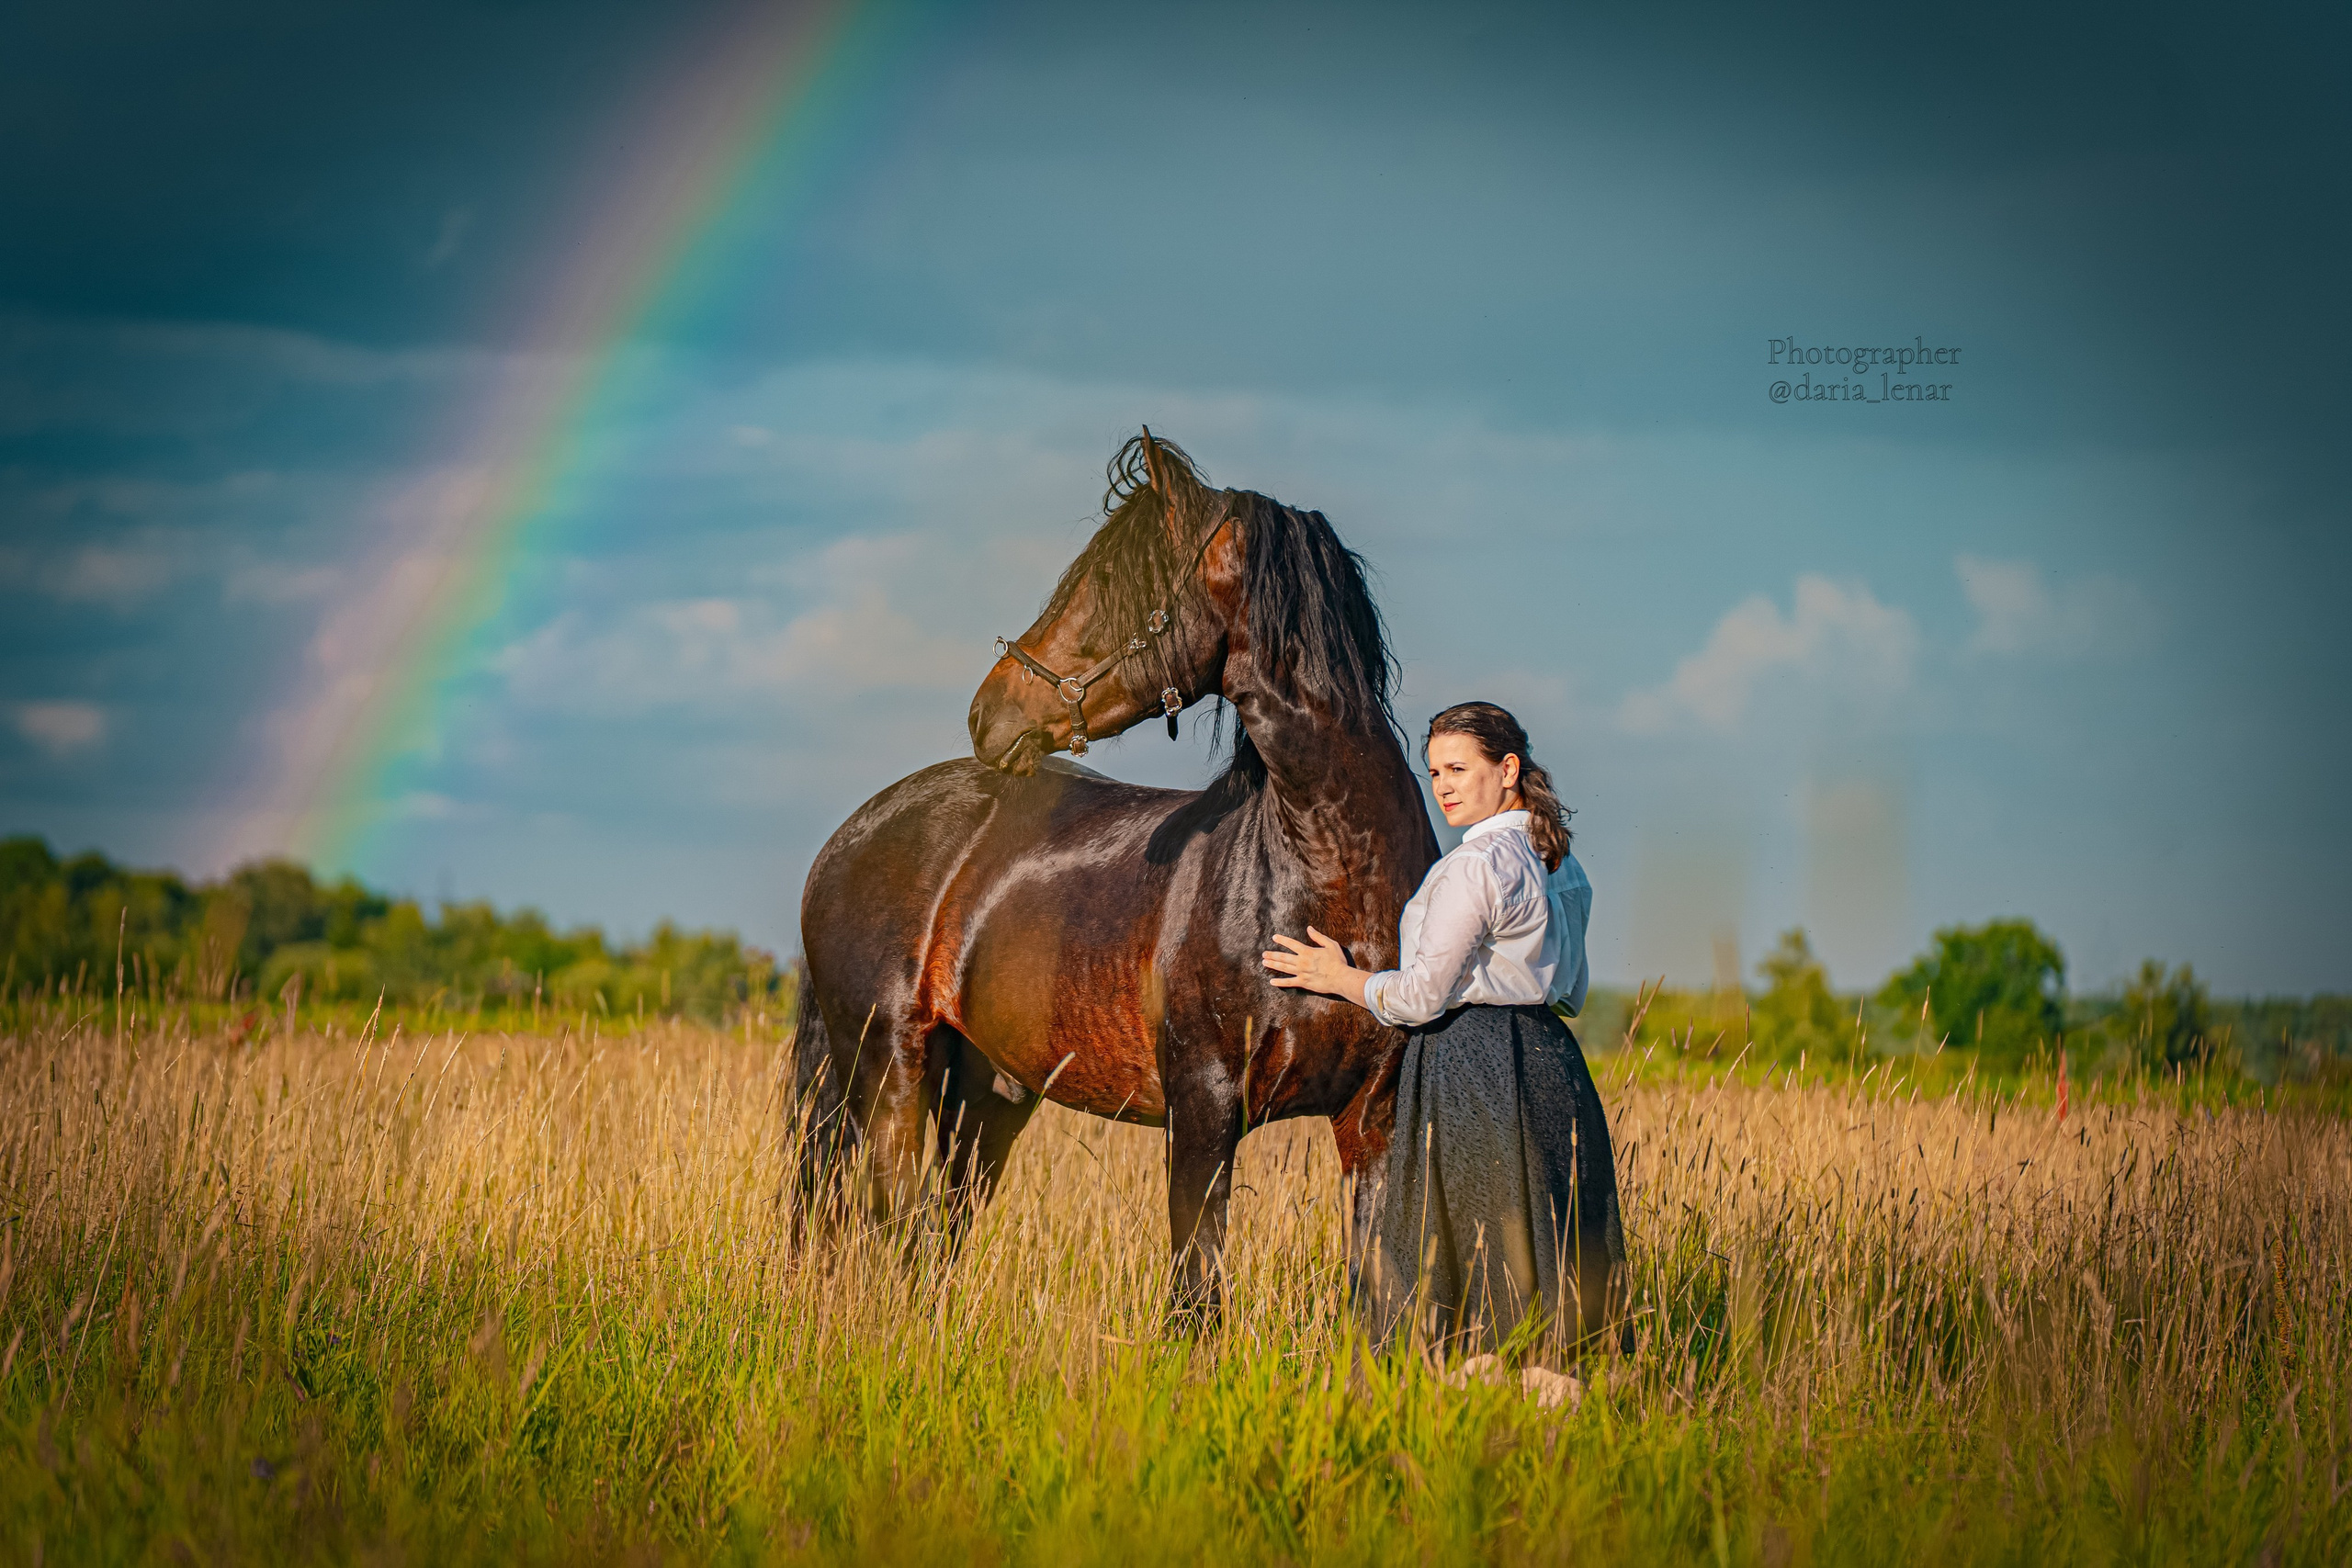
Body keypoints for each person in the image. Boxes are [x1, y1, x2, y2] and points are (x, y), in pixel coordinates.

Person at [1262, 701, 1623, 1355]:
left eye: (1459, 768)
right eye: (1434, 773)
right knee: (1550, 1251)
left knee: (1474, 1261)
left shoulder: (1473, 866)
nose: (1444, 786)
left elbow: (1424, 996)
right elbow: (1572, 992)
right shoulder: (1563, 866)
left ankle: (1478, 1411)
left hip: (1471, 1062)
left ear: (1508, 768)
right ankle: (1559, 1411)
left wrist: (1339, 976)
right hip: (1551, 1060)